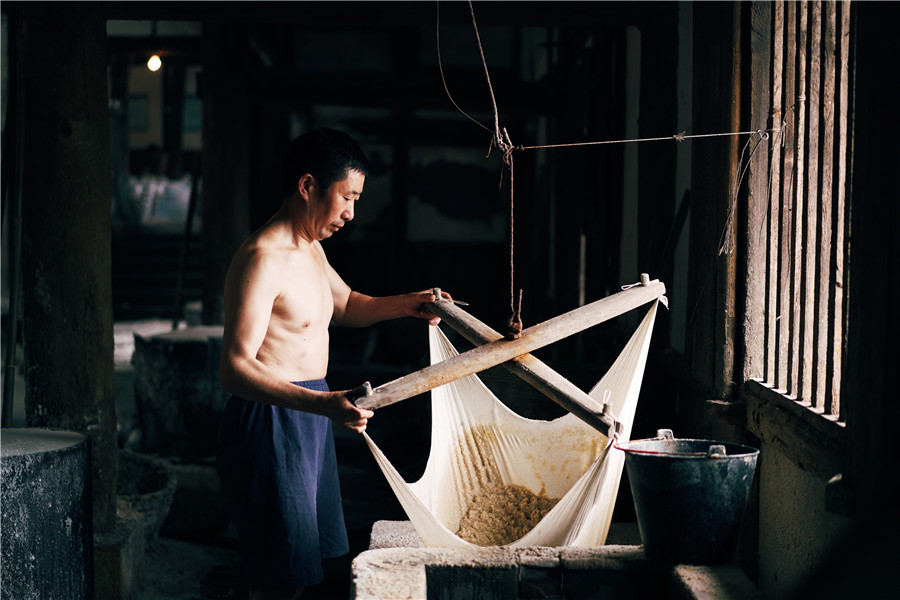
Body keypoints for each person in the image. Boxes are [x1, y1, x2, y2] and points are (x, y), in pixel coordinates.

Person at [216, 128, 449, 600]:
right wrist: (324, 404)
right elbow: (234, 368)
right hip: (272, 420)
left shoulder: (311, 249)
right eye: (347, 196)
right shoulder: (263, 258)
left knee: (311, 563)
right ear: (307, 186)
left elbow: (348, 306)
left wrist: (409, 303)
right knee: (280, 574)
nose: (351, 213)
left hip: (312, 413)